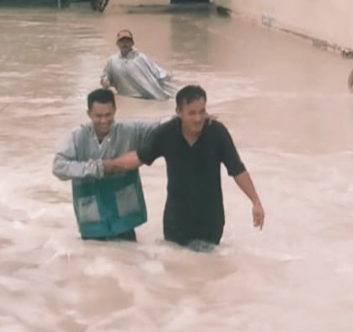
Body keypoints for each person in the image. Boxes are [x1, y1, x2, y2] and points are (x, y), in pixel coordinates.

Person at [105, 85, 264, 250]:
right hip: (176, 221)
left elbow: (237, 169)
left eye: (202, 111)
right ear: (179, 112)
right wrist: (105, 166)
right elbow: (139, 157)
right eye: (192, 113)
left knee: (209, 271)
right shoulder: (166, 134)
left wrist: (256, 202)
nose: (198, 118)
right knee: (176, 268)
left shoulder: (217, 133)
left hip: (210, 221)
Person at [52, 89, 160, 242]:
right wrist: (99, 168)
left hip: (125, 220)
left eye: (108, 115)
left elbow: (162, 127)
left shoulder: (130, 131)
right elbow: (58, 167)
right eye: (99, 116)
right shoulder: (77, 136)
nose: (104, 120)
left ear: (115, 110)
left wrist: (197, 119)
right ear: (89, 114)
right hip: (92, 221)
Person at [100, 29, 174, 101]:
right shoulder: (112, 60)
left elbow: (159, 73)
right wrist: (105, 82)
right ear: (117, 44)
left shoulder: (141, 58)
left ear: (132, 43)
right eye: (122, 41)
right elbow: (105, 77)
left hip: (145, 99)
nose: (124, 44)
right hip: (126, 99)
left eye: (127, 41)